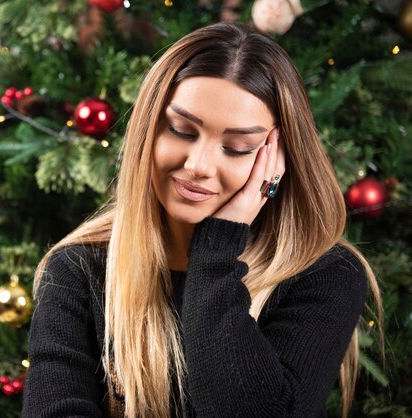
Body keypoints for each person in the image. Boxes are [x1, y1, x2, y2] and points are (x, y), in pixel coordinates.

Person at [22, 22, 381, 418]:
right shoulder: (77, 270)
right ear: (148, 130)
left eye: (237, 147)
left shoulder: (325, 275)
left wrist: (216, 249)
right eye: (181, 130)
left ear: (276, 162)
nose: (198, 166)